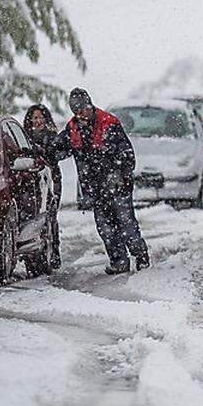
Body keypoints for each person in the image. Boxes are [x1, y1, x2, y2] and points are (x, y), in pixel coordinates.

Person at [53, 88, 149, 274]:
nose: (80, 114)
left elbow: (127, 155)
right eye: (76, 111)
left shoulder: (109, 123)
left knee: (126, 225)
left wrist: (117, 173)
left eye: (82, 109)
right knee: (106, 228)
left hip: (118, 187)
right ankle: (119, 261)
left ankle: (141, 257)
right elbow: (58, 149)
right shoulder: (73, 128)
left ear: (90, 105)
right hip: (96, 190)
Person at [23, 103, 62, 264]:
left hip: (51, 177)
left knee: (51, 215)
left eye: (41, 117)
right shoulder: (25, 137)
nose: (38, 121)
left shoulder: (52, 137)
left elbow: (58, 155)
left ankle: (54, 250)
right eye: (35, 118)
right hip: (33, 179)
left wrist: (47, 154)